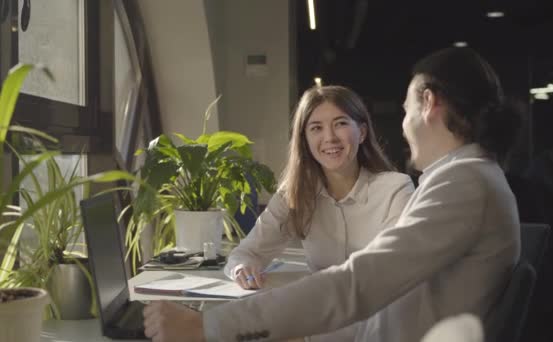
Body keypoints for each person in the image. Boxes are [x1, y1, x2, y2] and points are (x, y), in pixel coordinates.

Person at [143, 47, 523, 342]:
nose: (404, 126)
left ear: (428, 103)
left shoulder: (463, 185)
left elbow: (358, 285)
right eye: (315, 129)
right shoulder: (465, 179)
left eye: (406, 109)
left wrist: (208, 326)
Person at [225, 85, 415, 341]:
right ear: (304, 141)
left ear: (362, 132)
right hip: (320, 323)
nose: (330, 138)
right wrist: (242, 268)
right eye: (316, 128)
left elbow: (384, 280)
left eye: (340, 124)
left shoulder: (396, 188)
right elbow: (245, 253)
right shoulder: (293, 194)